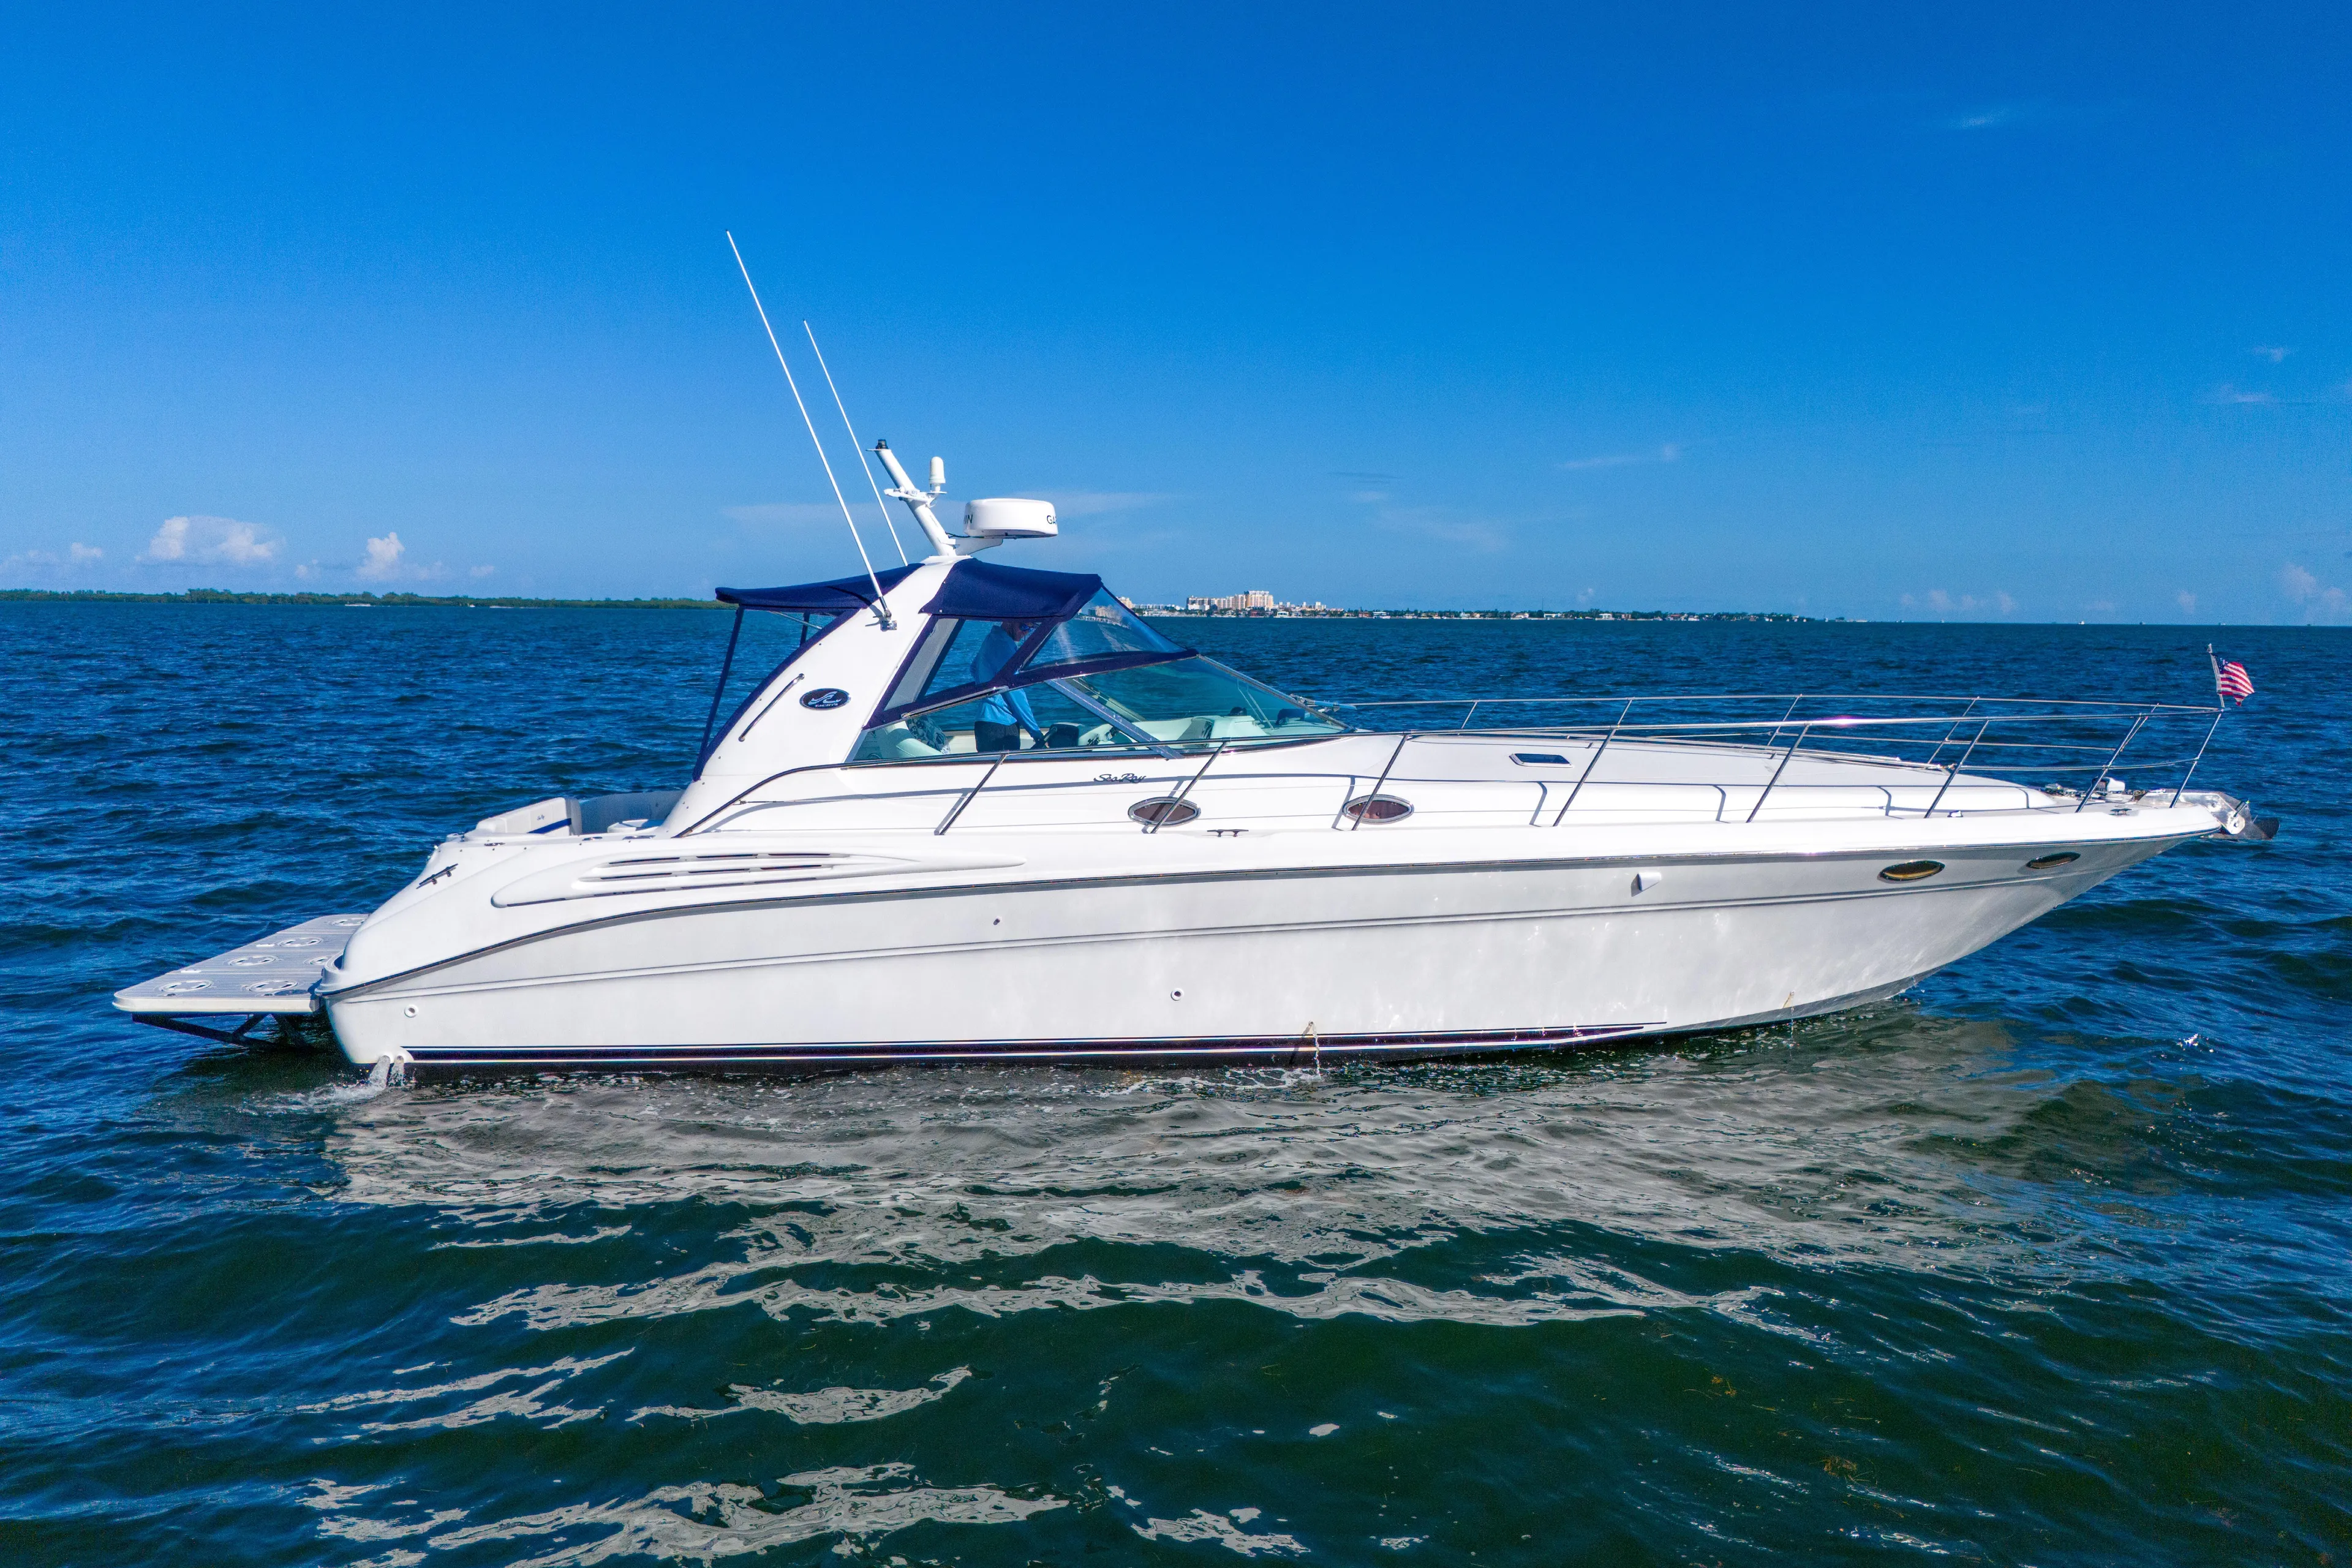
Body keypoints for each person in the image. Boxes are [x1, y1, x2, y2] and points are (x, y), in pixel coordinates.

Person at [971, 620, 1044, 752]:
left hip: (984, 724)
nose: (1026, 632)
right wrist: (1036, 733)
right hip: (1002, 728)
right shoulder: (1003, 647)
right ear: (1010, 622)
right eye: (1023, 627)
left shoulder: (992, 638)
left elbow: (973, 668)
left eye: (1031, 628)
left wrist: (989, 692)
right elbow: (1016, 694)